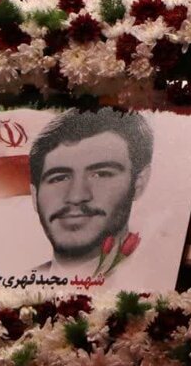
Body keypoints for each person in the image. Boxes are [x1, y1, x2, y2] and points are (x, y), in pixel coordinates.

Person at [28, 108, 153, 279]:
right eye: (59, 178)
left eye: (101, 174)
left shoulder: (155, 281)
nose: (76, 196)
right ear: (34, 195)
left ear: (139, 183)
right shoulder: (9, 285)